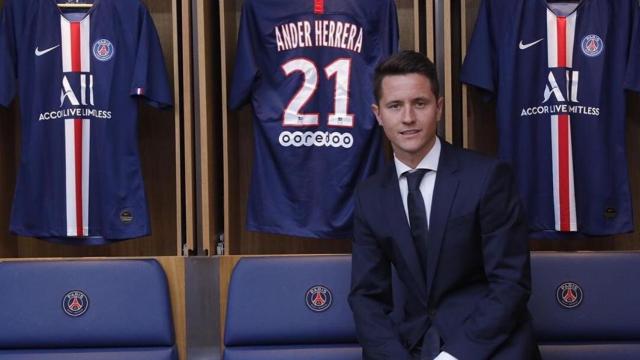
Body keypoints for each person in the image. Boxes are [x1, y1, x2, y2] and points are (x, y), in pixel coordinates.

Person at [348, 50, 539, 360]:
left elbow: (510, 285)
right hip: (411, 347)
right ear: (378, 114)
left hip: (488, 346)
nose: (408, 117)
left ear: (438, 108)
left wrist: (453, 357)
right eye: (395, 106)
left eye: (419, 103)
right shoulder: (370, 195)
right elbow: (366, 297)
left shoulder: (488, 177)